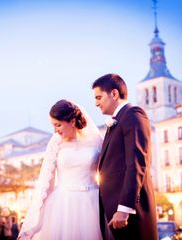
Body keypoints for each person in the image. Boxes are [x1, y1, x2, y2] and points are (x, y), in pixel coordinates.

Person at [18, 99, 103, 240]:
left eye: (58, 125)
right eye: (53, 125)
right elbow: (47, 185)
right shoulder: (56, 142)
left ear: (72, 121)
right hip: (62, 205)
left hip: (92, 203)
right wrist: (36, 225)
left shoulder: (96, 141)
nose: (55, 130)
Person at [92, 73, 158, 240]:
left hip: (132, 214)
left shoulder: (133, 114)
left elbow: (136, 163)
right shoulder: (117, 120)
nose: (96, 103)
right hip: (116, 214)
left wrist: (124, 208)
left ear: (114, 94)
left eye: (99, 97)